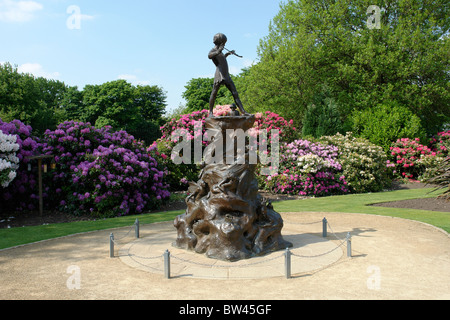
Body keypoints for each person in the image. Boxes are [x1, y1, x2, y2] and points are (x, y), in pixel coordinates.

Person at [208, 33, 248, 117]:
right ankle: (210, 112)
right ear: (220, 42)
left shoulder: (220, 52)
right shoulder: (214, 50)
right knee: (214, 93)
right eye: (223, 42)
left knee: (235, 93)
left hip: (226, 75)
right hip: (219, 74)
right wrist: (219, 51)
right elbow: (209, 56)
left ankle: (243, 111)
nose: (224, 44)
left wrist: (227, 54)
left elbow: (221, 60)